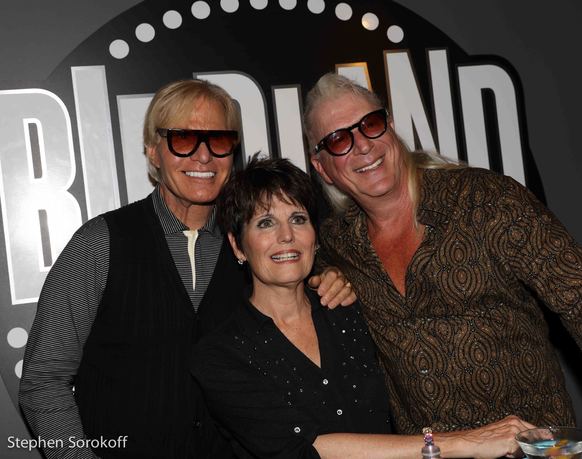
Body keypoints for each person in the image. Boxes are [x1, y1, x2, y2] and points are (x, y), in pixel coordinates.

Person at [18, 79, 353, 459]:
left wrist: (331, 279)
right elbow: (43, 380)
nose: (204, 156)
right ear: (152, 151)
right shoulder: (101, 243)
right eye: (182, 139)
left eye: (219, 140)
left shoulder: (255, 247)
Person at [304, 73, 582, 434]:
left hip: (532, 445)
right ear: (322, 168)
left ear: (391, 128)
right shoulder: (337, 243)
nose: (363, 145)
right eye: (338, 140)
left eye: (371, 124)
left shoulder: (485, 200)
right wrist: (331, 273)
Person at [191, 155, 535, 459]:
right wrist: (463, 443)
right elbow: (304, 448)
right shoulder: (220, 355)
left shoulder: (351, 310)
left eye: (298, 219)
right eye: (265, 223)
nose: (286, 236)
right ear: (238, 245)